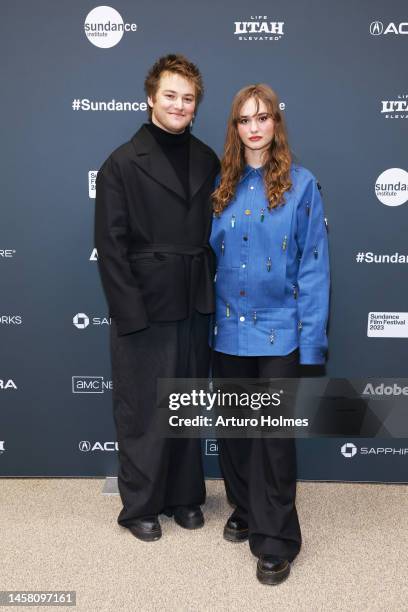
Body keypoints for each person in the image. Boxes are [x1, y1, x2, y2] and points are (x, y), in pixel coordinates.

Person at [95, 54, 219, 542]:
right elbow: (110, 244)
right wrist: (129, 313)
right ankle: (140, 505)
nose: (179, 105)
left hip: (195, 299)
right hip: (145, 304)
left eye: (188, 98)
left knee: (186, 401)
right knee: (144, 406)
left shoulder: (209, 159)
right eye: (170, 95)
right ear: (150, 98)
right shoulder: (121, 162)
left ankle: (185, 495)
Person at [210, 84, 330, 584]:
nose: (254, 127)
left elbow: (313, 267)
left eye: (262, 118)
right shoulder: (220, 185)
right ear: (235, 129)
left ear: (276, 123)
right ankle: (246, 507)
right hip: (227, 331)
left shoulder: (302, 186)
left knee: (275, 439)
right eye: (244, 120)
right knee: (237, 435)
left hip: (281, 332)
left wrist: (312, 339)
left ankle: (278, 537)